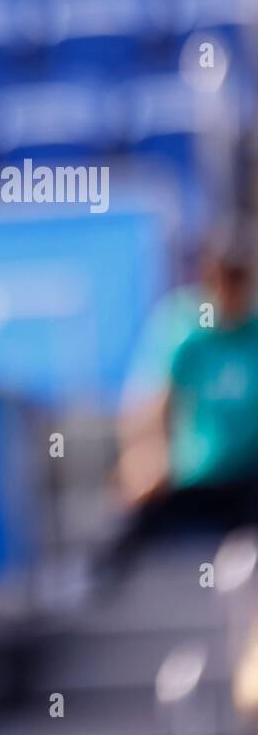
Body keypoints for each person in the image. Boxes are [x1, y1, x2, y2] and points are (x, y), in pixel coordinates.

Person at [111, 219, 258, 571]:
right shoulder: (184, 328)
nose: (231, 287)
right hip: (191, 480)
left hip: (249, 480)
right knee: (122, 530)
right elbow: (149, 403)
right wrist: (147, 456)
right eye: (224, 275)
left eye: (240, 277)